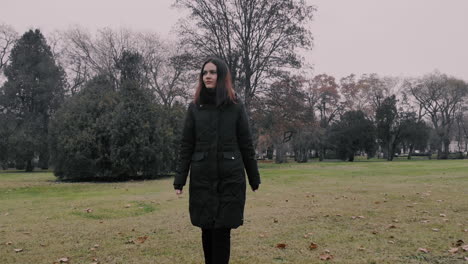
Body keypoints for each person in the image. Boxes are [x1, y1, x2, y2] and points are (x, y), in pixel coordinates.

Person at [173, 57, 261, 264]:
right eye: (204, 73)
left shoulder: (236, 107)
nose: (208, 76)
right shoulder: (194, 108)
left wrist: (253, 177)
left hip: (229, 178)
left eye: (212, 72)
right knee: (206, 228)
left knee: (222, 230)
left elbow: (246, 144)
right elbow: (186, 145)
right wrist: (180, 179)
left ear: (221, 76)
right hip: (202, 177)